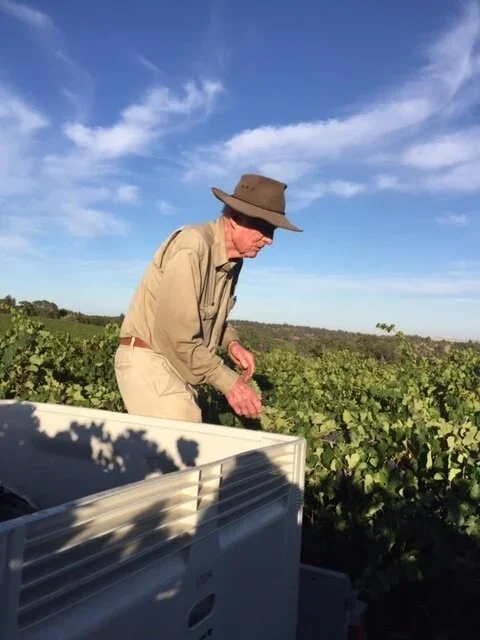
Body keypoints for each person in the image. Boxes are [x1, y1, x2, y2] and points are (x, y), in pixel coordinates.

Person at [114, 173, 302, 423]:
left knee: (186, 442)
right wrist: (230, 383)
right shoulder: (193, 246)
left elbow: (210, 318)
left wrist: (232, 343)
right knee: (187, 443)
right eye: (265, 228)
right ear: (236, 217)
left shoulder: (233, 262)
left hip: (175, 365)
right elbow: (176, 333)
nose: (269, 240)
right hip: (151, 361)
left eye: (273, 230)